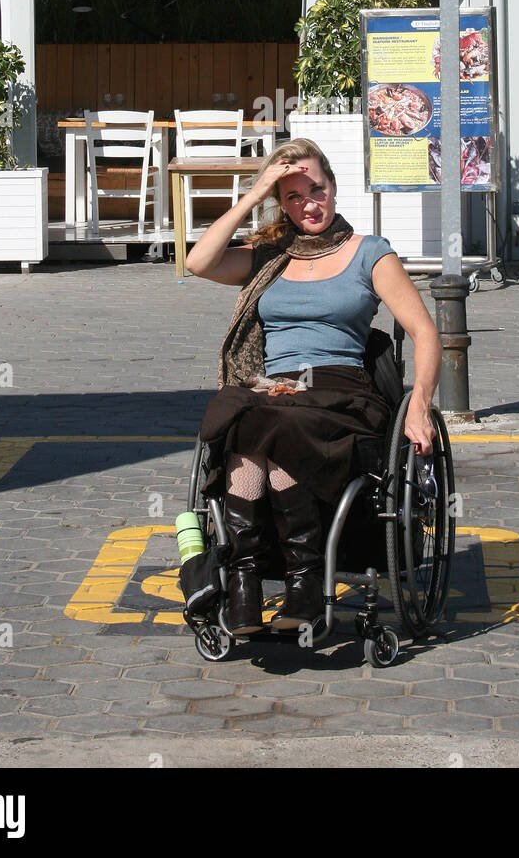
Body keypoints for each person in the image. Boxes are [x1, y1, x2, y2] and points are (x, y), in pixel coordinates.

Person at [186, 137, 441, 637]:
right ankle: (245, 580)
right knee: (237, 412)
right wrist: (256, 190)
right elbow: (198, 263)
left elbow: (425, 332)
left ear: (334, 187)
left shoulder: (370, 254)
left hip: (341, 389)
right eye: (293, 197)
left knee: (268, 421)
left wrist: (421, 406)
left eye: (316, 190)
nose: (309, 205)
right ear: (280, 203)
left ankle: (301, 583)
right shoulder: (270, 257)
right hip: (273, 387)